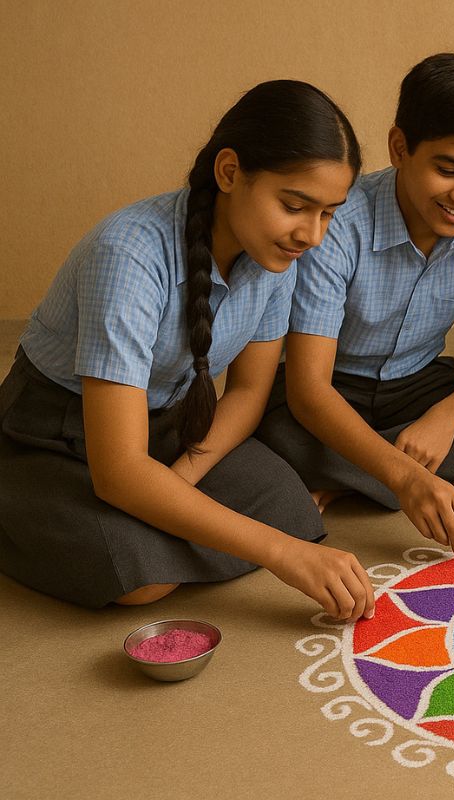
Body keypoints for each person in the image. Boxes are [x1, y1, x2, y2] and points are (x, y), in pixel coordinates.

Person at [0, 80, 377, 621]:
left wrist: (180, 480)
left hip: (168, 424)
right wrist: (281, 553)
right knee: (142, 580)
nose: (311, 236)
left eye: (328, 214)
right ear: (229, 172)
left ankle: (150, 519)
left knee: (289, 504)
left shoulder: (275, 257)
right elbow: (120, 468)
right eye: (295, 206)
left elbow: (248, 393)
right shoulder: (127, 255)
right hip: (55, 434)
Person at [257, 54, 454, 557]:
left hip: (421, 389)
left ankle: (354, 479)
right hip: (331, 393)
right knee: (272, 436)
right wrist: (405, 478)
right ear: (399, 147)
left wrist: (444, 419)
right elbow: (310, 391)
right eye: (449, 170)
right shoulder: (338, 222)